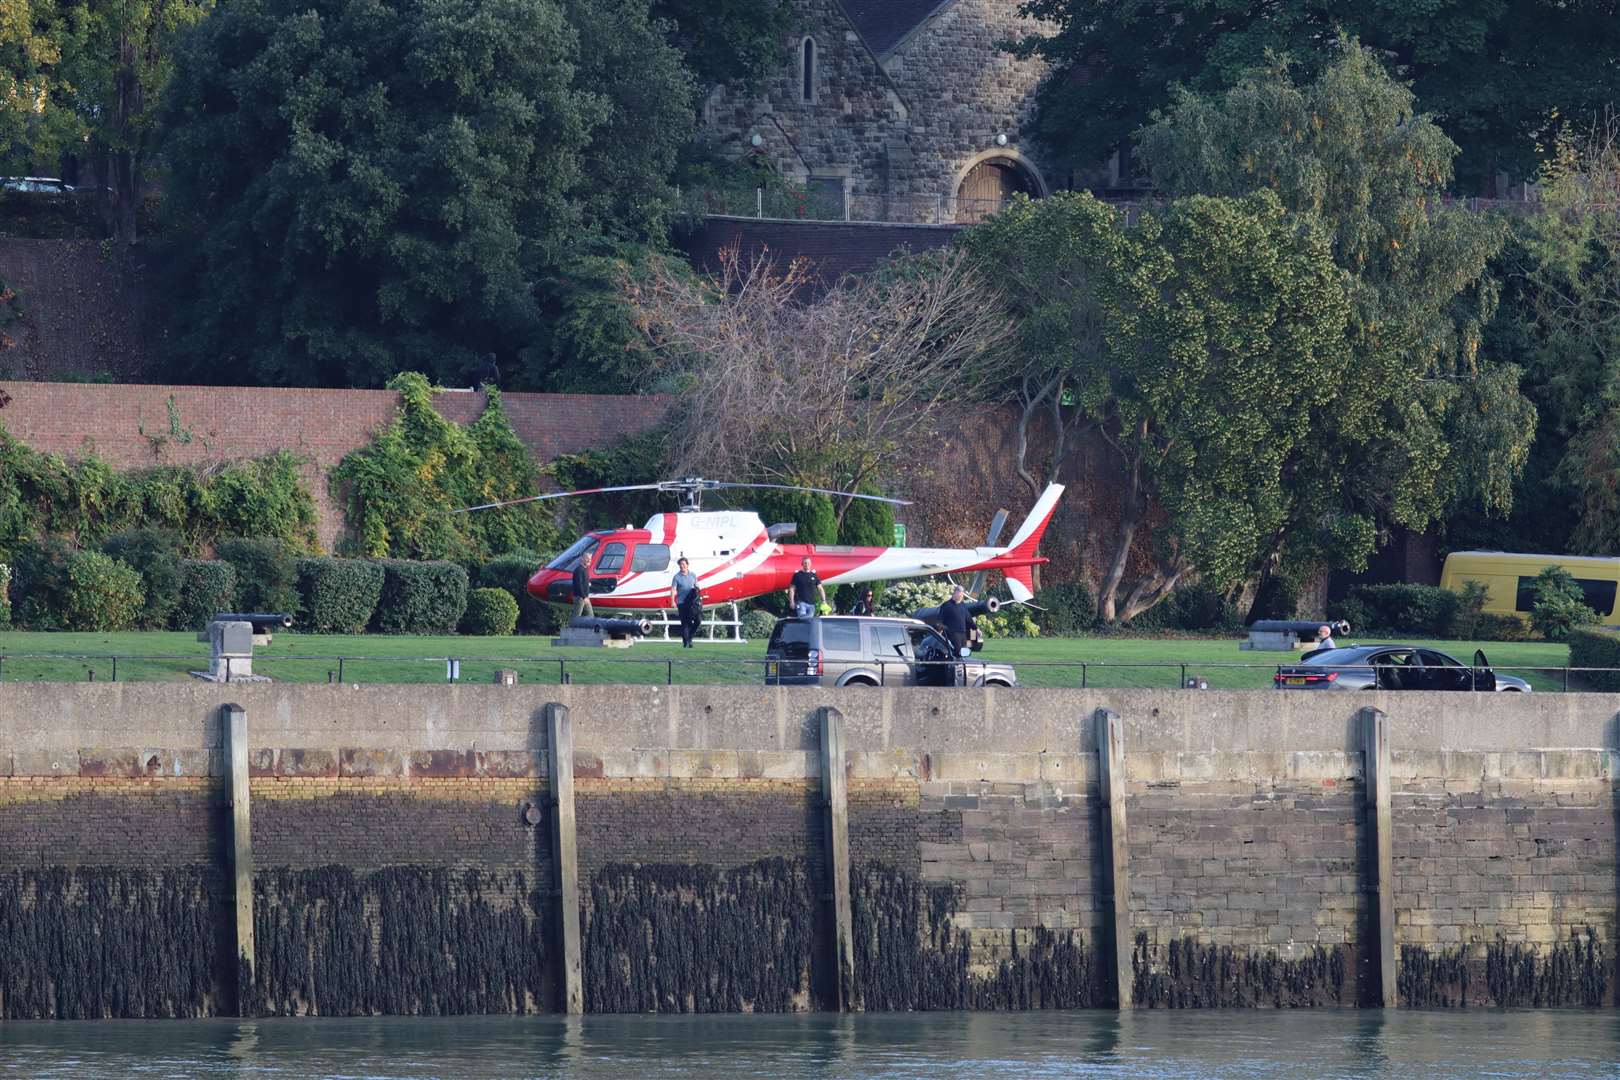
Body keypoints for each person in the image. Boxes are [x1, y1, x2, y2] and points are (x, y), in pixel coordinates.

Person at [669, 557, 702, 648]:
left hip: (692, 603)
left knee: (698, 620)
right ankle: (687, 642)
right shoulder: (676, 577)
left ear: (687, 565)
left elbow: (697, 586)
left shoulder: (693, 575)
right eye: (680, 565)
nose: (682, 566)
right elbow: (673, 589)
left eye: (683, 564)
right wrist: (672, 601)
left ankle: (689, 637)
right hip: (682, 603)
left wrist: (698, 592)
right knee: (685, 623)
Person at [939, 585, 974, 654]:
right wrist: (939, 630)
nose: (962, 597)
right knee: (958, 651)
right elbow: (940, 619)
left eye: (962, 595)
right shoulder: (946, 605)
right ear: (956, 593)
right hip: (952, 633)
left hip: (963, 633)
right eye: (960, 595)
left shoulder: (963, 605)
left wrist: (976, 629)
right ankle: (956, 663)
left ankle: (962, 663)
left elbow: (968, 619)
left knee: (965, 651)